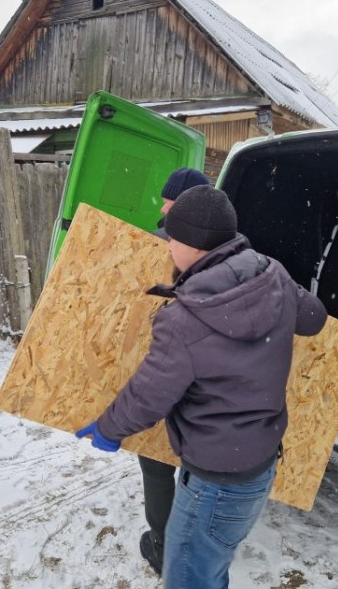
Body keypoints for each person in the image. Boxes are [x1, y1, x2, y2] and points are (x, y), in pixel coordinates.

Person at [77, 186, 327, 589]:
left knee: (189, 577)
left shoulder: (185, 320)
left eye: (172, 239)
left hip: (215, 482)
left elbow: (147, 396)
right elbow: (314, 319)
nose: (168, 247)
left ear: (192, 244)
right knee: (209, 567)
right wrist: (280, 292)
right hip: (259, 463)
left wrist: (108, 430)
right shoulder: (272, 273)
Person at [139, 166, 210, 575]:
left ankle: (164, 547)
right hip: (206, 376)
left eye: (168, 200)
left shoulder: (157, 245)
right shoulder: (228, 246)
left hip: (162, 369)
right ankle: (192, 539)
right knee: (196, 460)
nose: (161, 207)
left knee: (156, 461)